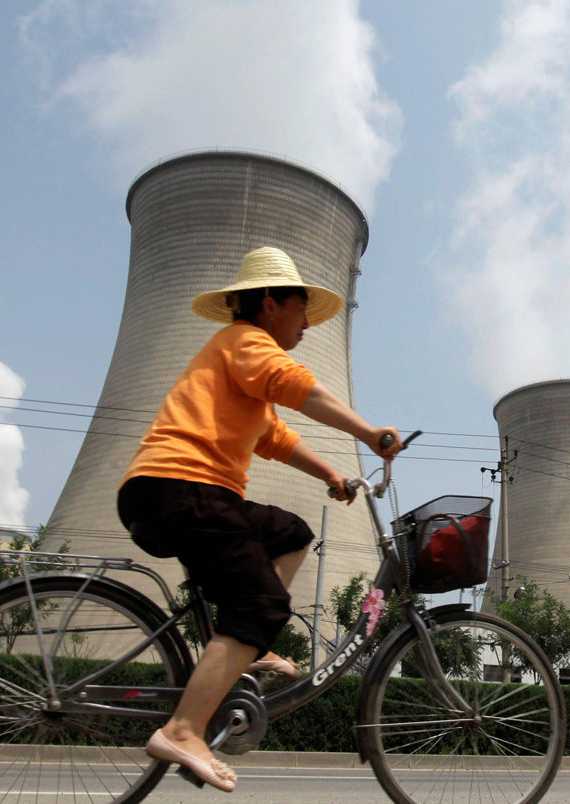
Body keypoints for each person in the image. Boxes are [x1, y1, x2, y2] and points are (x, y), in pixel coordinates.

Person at [116, 246, 401, 792]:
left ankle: (250, 644)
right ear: (270, 304)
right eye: (301, 309)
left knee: (291, 532)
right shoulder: (246, 343)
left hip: (180, 493)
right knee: (261, 603)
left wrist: (331, 475)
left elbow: (272, 435)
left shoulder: (238, 359)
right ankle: (183, 730)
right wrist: (368, 434)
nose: (306, 323)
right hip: (182, 489)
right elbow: (299, 388)